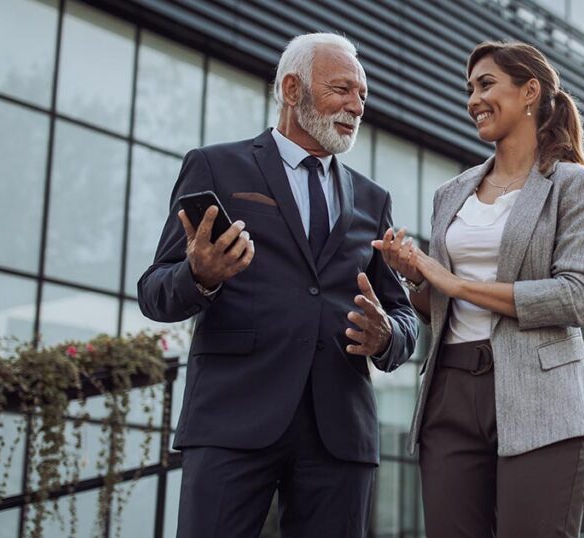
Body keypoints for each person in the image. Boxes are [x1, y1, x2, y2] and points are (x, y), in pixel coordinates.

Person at [138, 33, 418, 538]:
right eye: (342, 90)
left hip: (339, 432)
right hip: (232, 419)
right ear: (292, 90)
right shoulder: (216, 167)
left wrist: (388, 337)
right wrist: (198, 275)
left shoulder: (373, 200)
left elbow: (403, 317)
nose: (357, 106)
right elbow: (154, 290)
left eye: (363, 95)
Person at [373, 41, 584, 537]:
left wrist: (455, 281)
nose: (473, 99)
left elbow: (580, 296)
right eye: (469, 89)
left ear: (530, 92)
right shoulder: (451, 194)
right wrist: (416, 274)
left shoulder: (575, 185)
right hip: (450, 389)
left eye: (486, 85)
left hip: (540, 397)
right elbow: (440, 303)